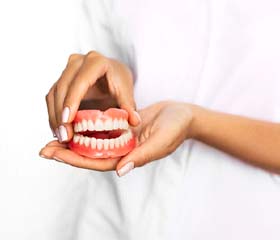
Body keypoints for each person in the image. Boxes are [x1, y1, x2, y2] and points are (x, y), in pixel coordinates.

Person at [40, 0, 280, 239]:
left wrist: (196, 122)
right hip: (113, 222)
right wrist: (102, 88)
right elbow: (110, 90)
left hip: (239, 222)